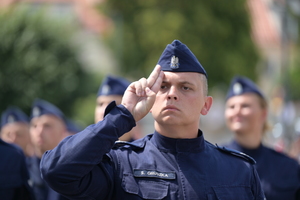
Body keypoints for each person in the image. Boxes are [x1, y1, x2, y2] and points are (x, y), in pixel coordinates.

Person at [40, 40, 265, 199]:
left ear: (206, 105)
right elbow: (56, 171)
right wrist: (124, 114)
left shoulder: (239, 170)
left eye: (185, 87)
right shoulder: (121, 163)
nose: (172, 94)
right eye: (163, 86)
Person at [223, 76, 300, 200]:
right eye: (231, 107)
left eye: (245, 106)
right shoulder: (214, 161)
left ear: (263, 113)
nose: (237, 111)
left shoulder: (287, 167)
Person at [28, 98, 69, 200]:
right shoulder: (23, 168)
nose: (39, 131)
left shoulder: (73, 168)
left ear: (62, 131)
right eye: (34, 126)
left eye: (47, 126)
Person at [95, 75, 143, 141]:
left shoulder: (141, 150)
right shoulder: (86, 149)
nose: (103, 111)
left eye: (111, 105)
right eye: (100, 104)